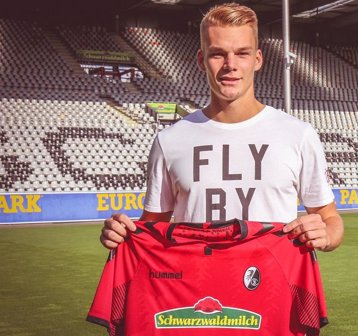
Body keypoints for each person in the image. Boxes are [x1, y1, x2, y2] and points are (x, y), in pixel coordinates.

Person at [99, 2, 343, 252]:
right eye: (218, 54)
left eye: (242, 53)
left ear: (257, 59)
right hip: (196, 288)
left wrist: (325, 235)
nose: (230, 64)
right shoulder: (170, 141)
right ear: (201, 60)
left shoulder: (298, 135)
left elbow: (330, 218)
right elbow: (149, 230)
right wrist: (121, 233)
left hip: (271, 288)